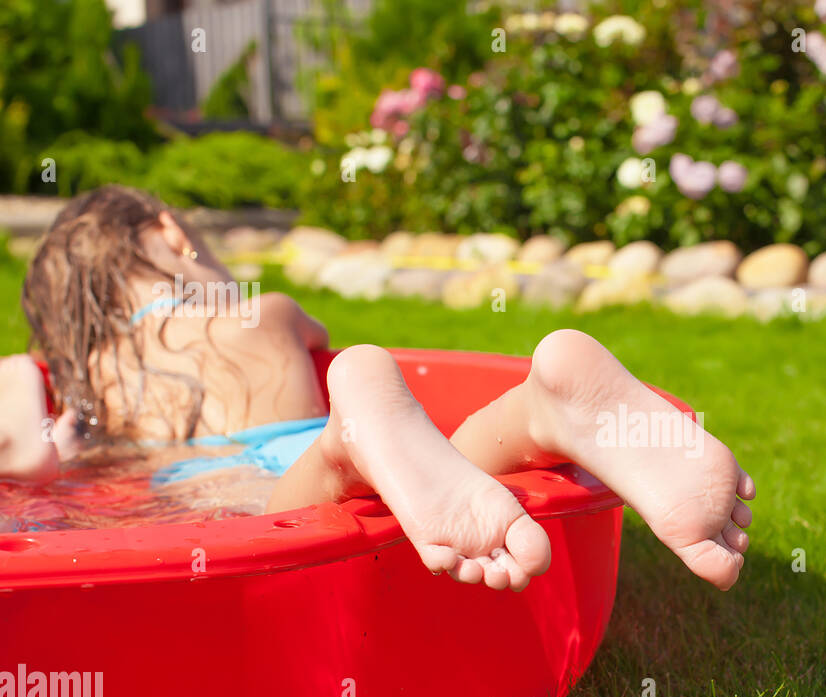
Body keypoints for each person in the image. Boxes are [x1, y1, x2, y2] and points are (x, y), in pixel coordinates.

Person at [0, 186, 754, 591]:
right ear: (172, 236)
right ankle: (543, 405)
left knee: (329, 488)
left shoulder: (95, 383)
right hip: (303, 437)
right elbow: (317, 335)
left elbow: (28, 450)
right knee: (446, 459)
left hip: (229, 495)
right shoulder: (265, 313)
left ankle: (349, 446)